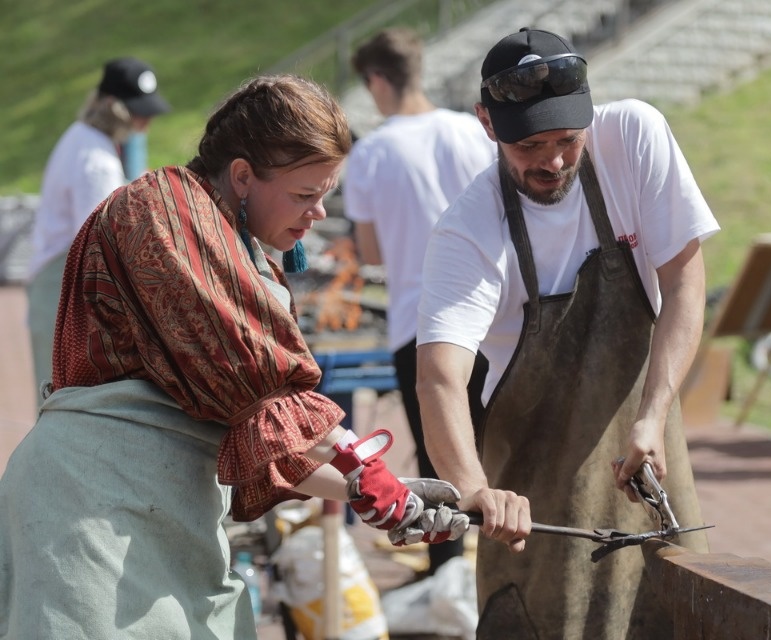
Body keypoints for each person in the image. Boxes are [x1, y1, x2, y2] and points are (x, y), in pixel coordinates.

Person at [0, 74, 469, 639]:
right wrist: (367, 471)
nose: (318, 213)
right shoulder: (161, 208)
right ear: (243, 175)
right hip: (88, 510)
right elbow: (259, 388)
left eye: (325, 194)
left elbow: (263, 441)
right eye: (304, 194)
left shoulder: (236, 245)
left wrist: (368, 494)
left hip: (169, 511)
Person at [415, 28, 719, 638]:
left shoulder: (633, 137)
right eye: (530, 145)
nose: (553, 161)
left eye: (566, 140)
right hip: (536, 521)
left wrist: (653, 415)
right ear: (486, 122)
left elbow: (685, 286)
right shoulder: (468, 232)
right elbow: (440, 377)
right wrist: (474, 489)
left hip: (649, 473)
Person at [343, 27, 496, 577]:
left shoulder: (371, 154)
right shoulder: (472, 131)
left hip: (421, 320)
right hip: (494, 317)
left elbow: (370, 252)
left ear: (378, 80)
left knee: (442, 464)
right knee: (504, 449)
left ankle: (450, 578)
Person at [26, 57, 172, 397]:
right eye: (138, 112)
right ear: (113, 107)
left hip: (56, 281)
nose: (145, 121)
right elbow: (102, 244)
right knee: (64, 407)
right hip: (63, 286)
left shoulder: (83, 139)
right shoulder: (96, 162)